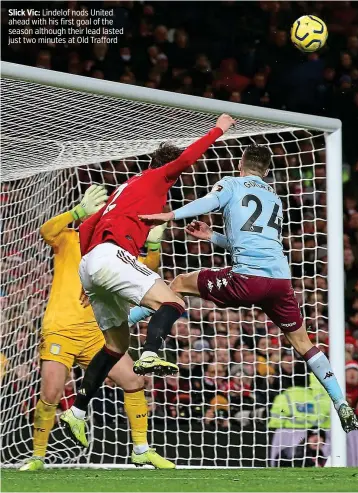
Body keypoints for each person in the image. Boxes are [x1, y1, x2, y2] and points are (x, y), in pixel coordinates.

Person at [139, 144, 358, 433]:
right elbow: (253, 241)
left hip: (247, 279)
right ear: (267, 171)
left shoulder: (231, 184)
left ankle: (135, 324)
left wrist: (170, 216)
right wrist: (211, 237)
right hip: (280, 282)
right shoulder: (274, 199)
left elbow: (205, 203)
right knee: (304, 343)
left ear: (240, 164)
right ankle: (340, 400)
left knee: (179, 283)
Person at [61, 114, 235, 446]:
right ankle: (151, 352)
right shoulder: (157, 179)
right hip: (112, 257)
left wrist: (87, 278)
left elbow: (85, 227)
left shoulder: (126, 186)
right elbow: (186, 158)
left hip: (92, 262)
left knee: (114, 346)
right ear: (168, 167)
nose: (184, 174)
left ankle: (77, 410)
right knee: (173, 301)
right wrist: (219, 129)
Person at [20, 186, 173, 471]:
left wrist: (153, 244)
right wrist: (76, 212)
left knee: (134, 381)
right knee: (51, 394)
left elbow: (147, 268)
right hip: (61, 330)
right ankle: (37, 458)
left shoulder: (115, 253)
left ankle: (141, 449)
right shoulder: (69, 238)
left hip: (96, 336)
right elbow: (45, 231)